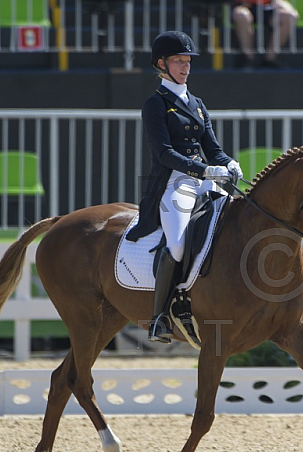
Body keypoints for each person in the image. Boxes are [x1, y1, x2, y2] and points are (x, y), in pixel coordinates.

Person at [125, 30, 243, 344]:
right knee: (177, 244)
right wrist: (204, 169)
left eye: (188, 60)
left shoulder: (197, 104)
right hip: (174, 183)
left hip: (205, 181)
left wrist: (228, 163)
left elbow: (213, 148)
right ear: (161, 64)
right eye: (179, 60)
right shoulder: (156, 104)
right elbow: (165, 153)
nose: (185, 66)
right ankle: (160, 316)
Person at [232, 0, 299, 69]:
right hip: (243, 5)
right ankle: (248, 59)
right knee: (241, 15)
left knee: (290, 16)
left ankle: (269, 59)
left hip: (267, 6)